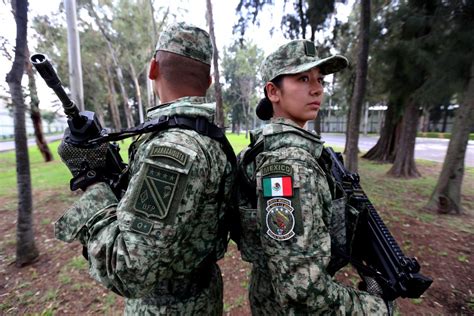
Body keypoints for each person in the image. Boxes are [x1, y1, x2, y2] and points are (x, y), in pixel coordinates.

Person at [55, 23, 235, 315]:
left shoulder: (172, 151)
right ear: (209, 81)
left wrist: (92, 183)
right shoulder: (205, 136)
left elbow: (129, 268)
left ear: (153, 69)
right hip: (200, 297)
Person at [237, 40, 390, 315]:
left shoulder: (269, 147)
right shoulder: (290, 165)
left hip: (269, 297)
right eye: (303, 78)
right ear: (273, 91)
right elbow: (303, 289)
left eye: (320, 79)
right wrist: (375, 308)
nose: (317, 88)